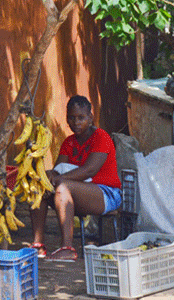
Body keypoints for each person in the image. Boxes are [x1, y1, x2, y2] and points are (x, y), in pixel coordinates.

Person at [29, 95, 121, 262]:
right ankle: (38, 245)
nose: (76, 122)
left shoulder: (101, 137)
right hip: (77, 192)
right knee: (38, 187)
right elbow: (57, 171)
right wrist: (48, 177)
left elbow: (89, 170)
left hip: (106, 193)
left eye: (81, 117)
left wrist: (57, 180)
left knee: (63, 187)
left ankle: (67, 248)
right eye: (71, 118)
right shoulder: (69, 142)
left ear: (91, 118)